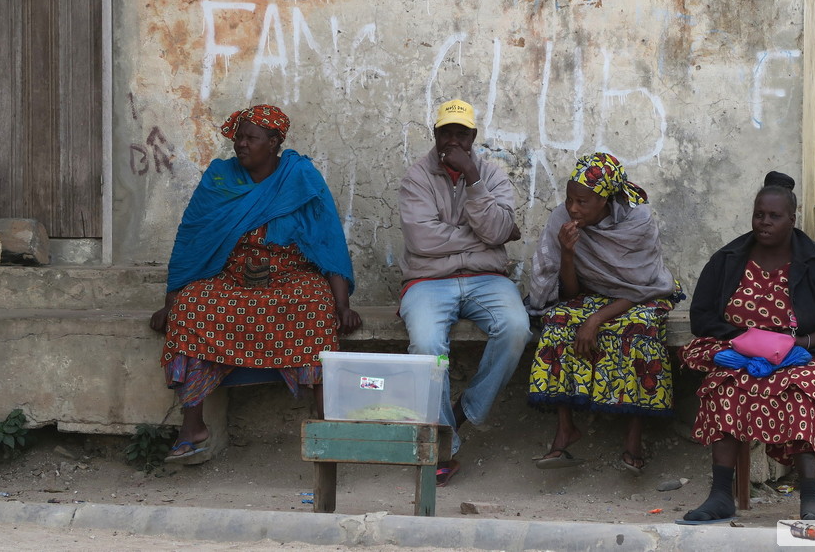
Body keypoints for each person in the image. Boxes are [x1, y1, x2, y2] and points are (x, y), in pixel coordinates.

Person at [149, 104, 361, 463]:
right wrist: (171, 302)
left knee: (317, 308)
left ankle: (328, 428)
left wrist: (342, 305)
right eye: (239, 137)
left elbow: (328, 244)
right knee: (190, 308)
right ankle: (193, 427)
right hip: (232, 282)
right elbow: (192, 243)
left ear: (275, 142)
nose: (240, 144)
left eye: (251, 138)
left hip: (290, 282)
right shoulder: (219, 179)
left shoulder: (300, 177)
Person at [677, 171, 815, 523]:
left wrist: (802, 342)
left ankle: (810, 495)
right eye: (759, 214)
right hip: (743, 354)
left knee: (803, 390)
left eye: (774, 216)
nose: (764, 222)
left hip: (804, 356)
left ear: (792, 220)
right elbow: (702, 315)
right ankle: (720, 495)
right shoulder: (729, 258)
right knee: (723, 387)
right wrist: (744, 340)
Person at [398, 99, 531, 486]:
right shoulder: (416, 177)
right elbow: (423, 240)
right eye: (445, 133)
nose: (452, 141)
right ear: (435, 134)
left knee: (516, 328)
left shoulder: (491, 176)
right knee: (425, 345)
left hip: (486, 280)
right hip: (427, 280)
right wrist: (484, 241)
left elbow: (495, 231)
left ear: (473, 138)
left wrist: (474, 181)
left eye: (461, 134)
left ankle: (462, 413)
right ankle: (442, 444)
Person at [526, 153, 682, 475]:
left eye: (582, 201)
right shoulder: (562, 221)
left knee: (638, 333)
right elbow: (569, 293)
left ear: (605, 200)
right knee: (556, 324)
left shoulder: (638, 221)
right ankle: (565, 429)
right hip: (591, 294)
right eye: (569, 199)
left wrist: (595, 320)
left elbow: (642, 286)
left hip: (642, 296)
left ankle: (633, 439)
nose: (572, 208)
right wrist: (568, 253)